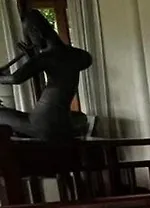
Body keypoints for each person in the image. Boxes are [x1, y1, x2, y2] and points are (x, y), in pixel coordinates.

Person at [0, 9, 91, 140]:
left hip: (42, 123)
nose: (30, 42)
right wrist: (33, 59)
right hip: (62, 121)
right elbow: (80, 64)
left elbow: (15, 78)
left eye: (29, 35)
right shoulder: (79, 54)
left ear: (37, 31)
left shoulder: (46, 57)